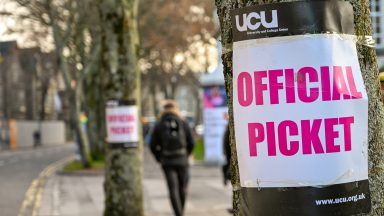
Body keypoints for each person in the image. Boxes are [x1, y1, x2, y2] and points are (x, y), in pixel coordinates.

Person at [150, 101, 195, 216]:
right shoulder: (183, 122)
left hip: (167, 160)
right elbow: (192, 142)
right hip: (182, 158)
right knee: (182, 187)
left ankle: (178, 213)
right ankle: (181, 211)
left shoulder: (159, 124)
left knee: (172, 189)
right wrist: (187, 154)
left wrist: (159, 157)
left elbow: (152, 144)